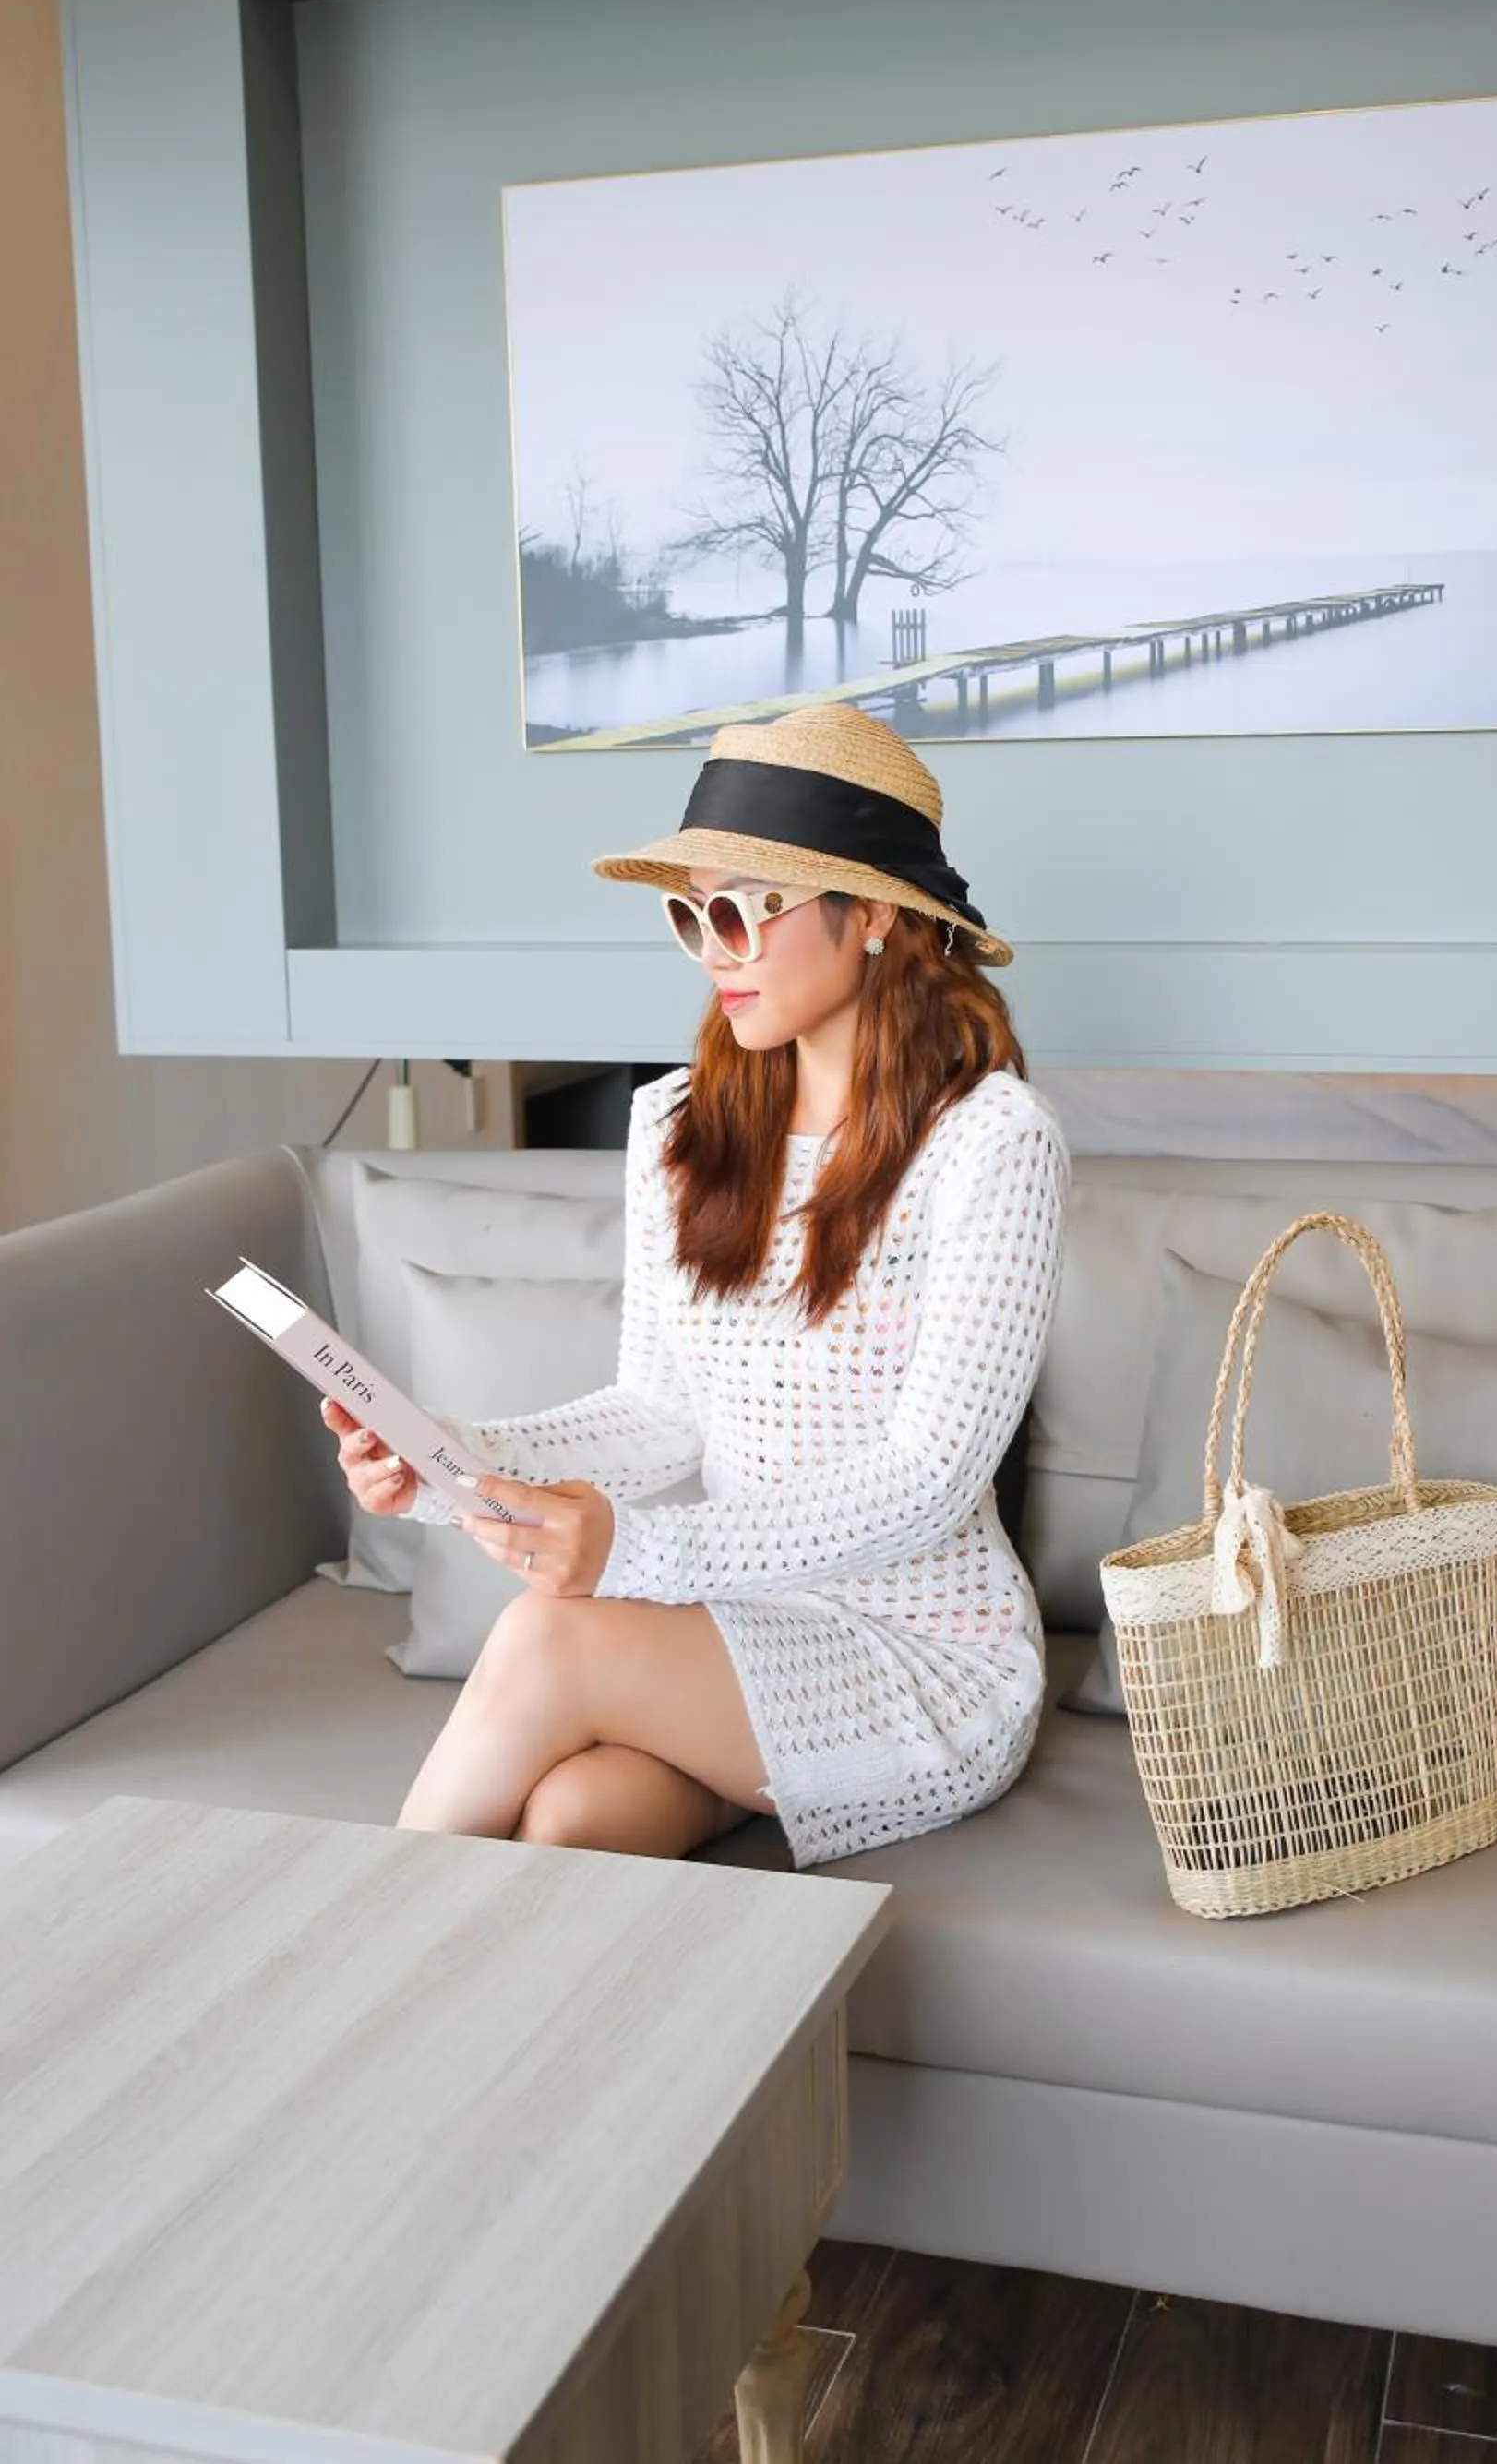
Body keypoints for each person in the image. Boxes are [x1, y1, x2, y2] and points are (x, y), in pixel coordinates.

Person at [321, 703, 1071, 1870]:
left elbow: (929, 1482)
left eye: (738, 912)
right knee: (573, 1822)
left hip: (921, 1652)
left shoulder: (990, 1142)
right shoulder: (676, 1124)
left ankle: (335, 1953)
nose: (712, 950)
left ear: (871, 913)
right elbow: (660, 1414)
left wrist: (635, 1556)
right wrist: (452, 1458)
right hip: (745, 1630)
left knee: (546, 1643)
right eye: (689, 915)